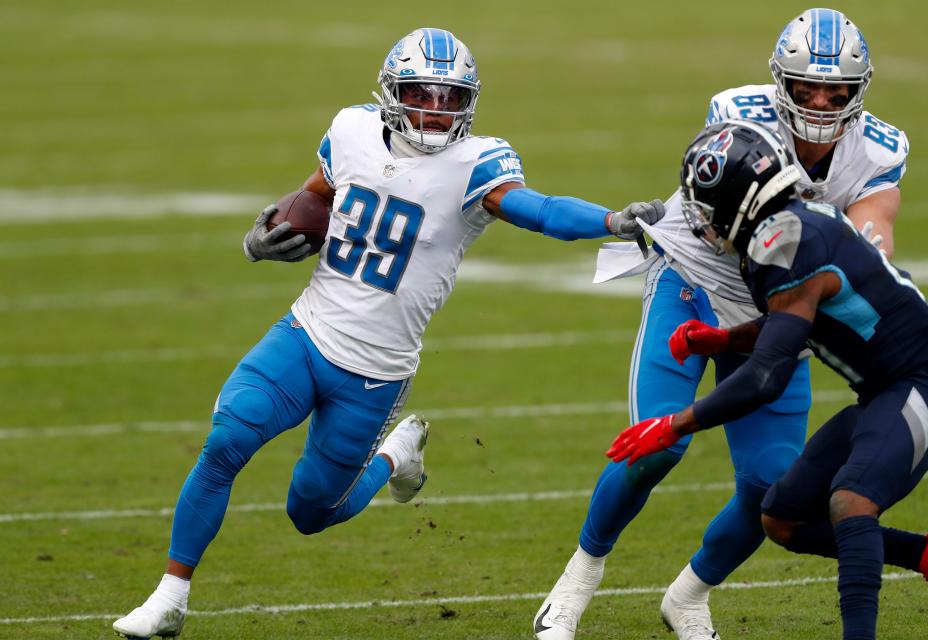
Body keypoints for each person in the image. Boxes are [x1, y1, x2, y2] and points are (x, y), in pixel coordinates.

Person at [111, 27, 665, 639]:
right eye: (421, 93)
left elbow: (541, 210)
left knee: (310, 511)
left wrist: (611, 220)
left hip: (374, 371)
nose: (434, 109)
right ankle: (170, 598)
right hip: (305, 332)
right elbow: (311, 197)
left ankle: (394, 455)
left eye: (450, 97)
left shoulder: (476, 163)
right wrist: (261, 236)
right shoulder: (351, 130)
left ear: (469, 103)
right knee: (225, 443)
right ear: (391, 92)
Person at [535, 9, 908, 640]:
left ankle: (688, 596)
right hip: (695, 278)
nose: (821, 101)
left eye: (836, 90)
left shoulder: (879, 148)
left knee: (774, 488)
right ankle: (577, 579)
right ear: (778, 83)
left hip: (779, 313)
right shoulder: (739, 114)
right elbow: (739, 227)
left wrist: (867, 258)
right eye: (806, 87)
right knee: (659, 441)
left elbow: (875, 230)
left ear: (858, 90)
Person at [606, 119, 928, 640]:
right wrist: (725, 341)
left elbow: (767, 377)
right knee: (783, 517)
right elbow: (801, 318)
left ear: (734, 203)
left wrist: (674, 426)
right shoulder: (788, 224)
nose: (701, 220)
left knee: (850, 501)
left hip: (927, 387)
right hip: (886, 391)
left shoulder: (782, 244)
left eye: (704, 206)